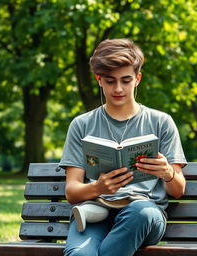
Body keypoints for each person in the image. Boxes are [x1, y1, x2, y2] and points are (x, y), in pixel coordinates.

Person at [59, 38, 187, 256]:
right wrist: (97, 188)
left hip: (143, 215)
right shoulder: (82, 125)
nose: (118, 88)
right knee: (80, 254)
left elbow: (178, 190)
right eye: (110, 81)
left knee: (140, 212)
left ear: (137, 79)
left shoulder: (161, 122)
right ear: (99, 80)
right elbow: (72, 192)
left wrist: (167, 173)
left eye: (126, 80)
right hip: (95, 212)